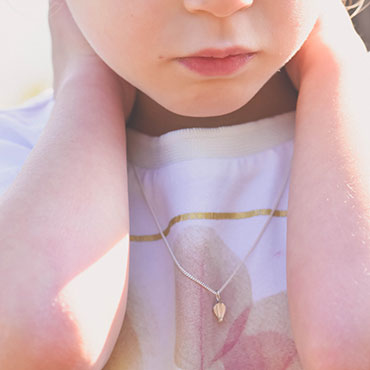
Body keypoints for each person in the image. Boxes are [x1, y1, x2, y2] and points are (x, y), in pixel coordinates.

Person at [0, 0, 369, 368]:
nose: (220, 5)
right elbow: (33, 344)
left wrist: (338, 66)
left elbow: (354, 346)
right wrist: (84, 87)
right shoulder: (17, 165)